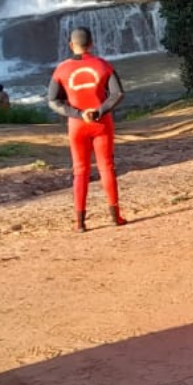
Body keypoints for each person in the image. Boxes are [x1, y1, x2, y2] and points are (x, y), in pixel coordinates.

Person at [48, 27, 126, 232]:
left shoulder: (61, 70)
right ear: (91, 44)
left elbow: (52, 101)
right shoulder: (103, 65)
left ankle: (80, 223)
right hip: (101, 123)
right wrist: (99, 111)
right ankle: (115, 217)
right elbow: (117, 94)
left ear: (71, 45)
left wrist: (77, 114)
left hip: (77, 125)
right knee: (106, 167)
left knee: (80, 171)